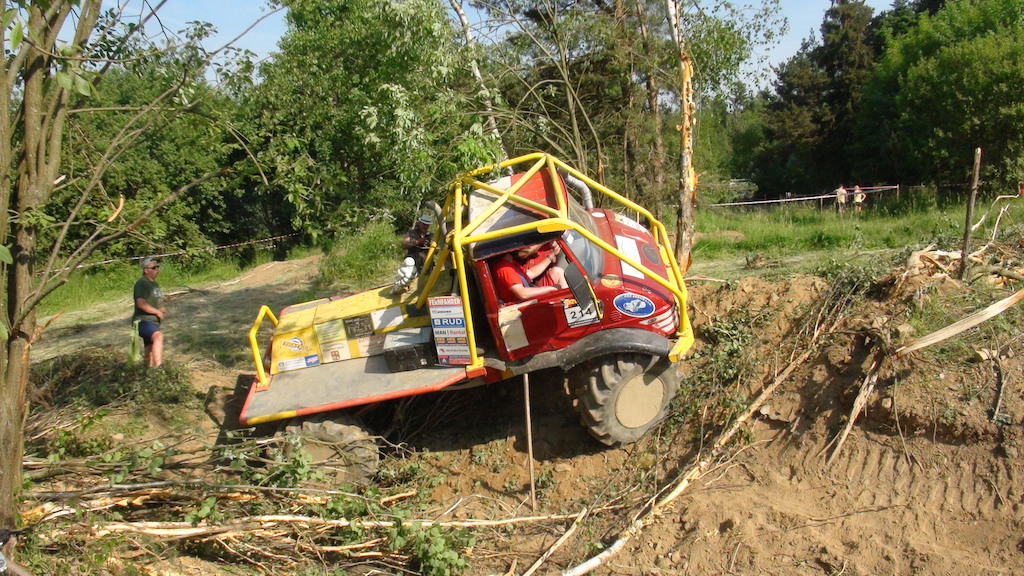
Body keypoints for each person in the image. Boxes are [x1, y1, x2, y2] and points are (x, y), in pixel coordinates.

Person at [492, 242, 569, 303]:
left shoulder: (510, 263)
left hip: (531, 293)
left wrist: (552, 255)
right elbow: (522, 294)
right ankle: (569, 304)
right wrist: (550, 288)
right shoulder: (505, 268)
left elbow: (531, 273)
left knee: (556, 271)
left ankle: (569, 301)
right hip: (526, 304)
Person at [133, 256, 166, 367]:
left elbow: (156, 303)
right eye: (154, 267)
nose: (157, 269)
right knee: (158, 337)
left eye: (158, 267)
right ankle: (158, 368)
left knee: (150, 348)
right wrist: (157, 312)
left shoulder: (155, 285)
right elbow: (141, 303)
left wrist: (160, 309)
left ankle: (147, 372)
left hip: (153, 322)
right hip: (142, 321)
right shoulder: (142, 283)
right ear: (145, 270)